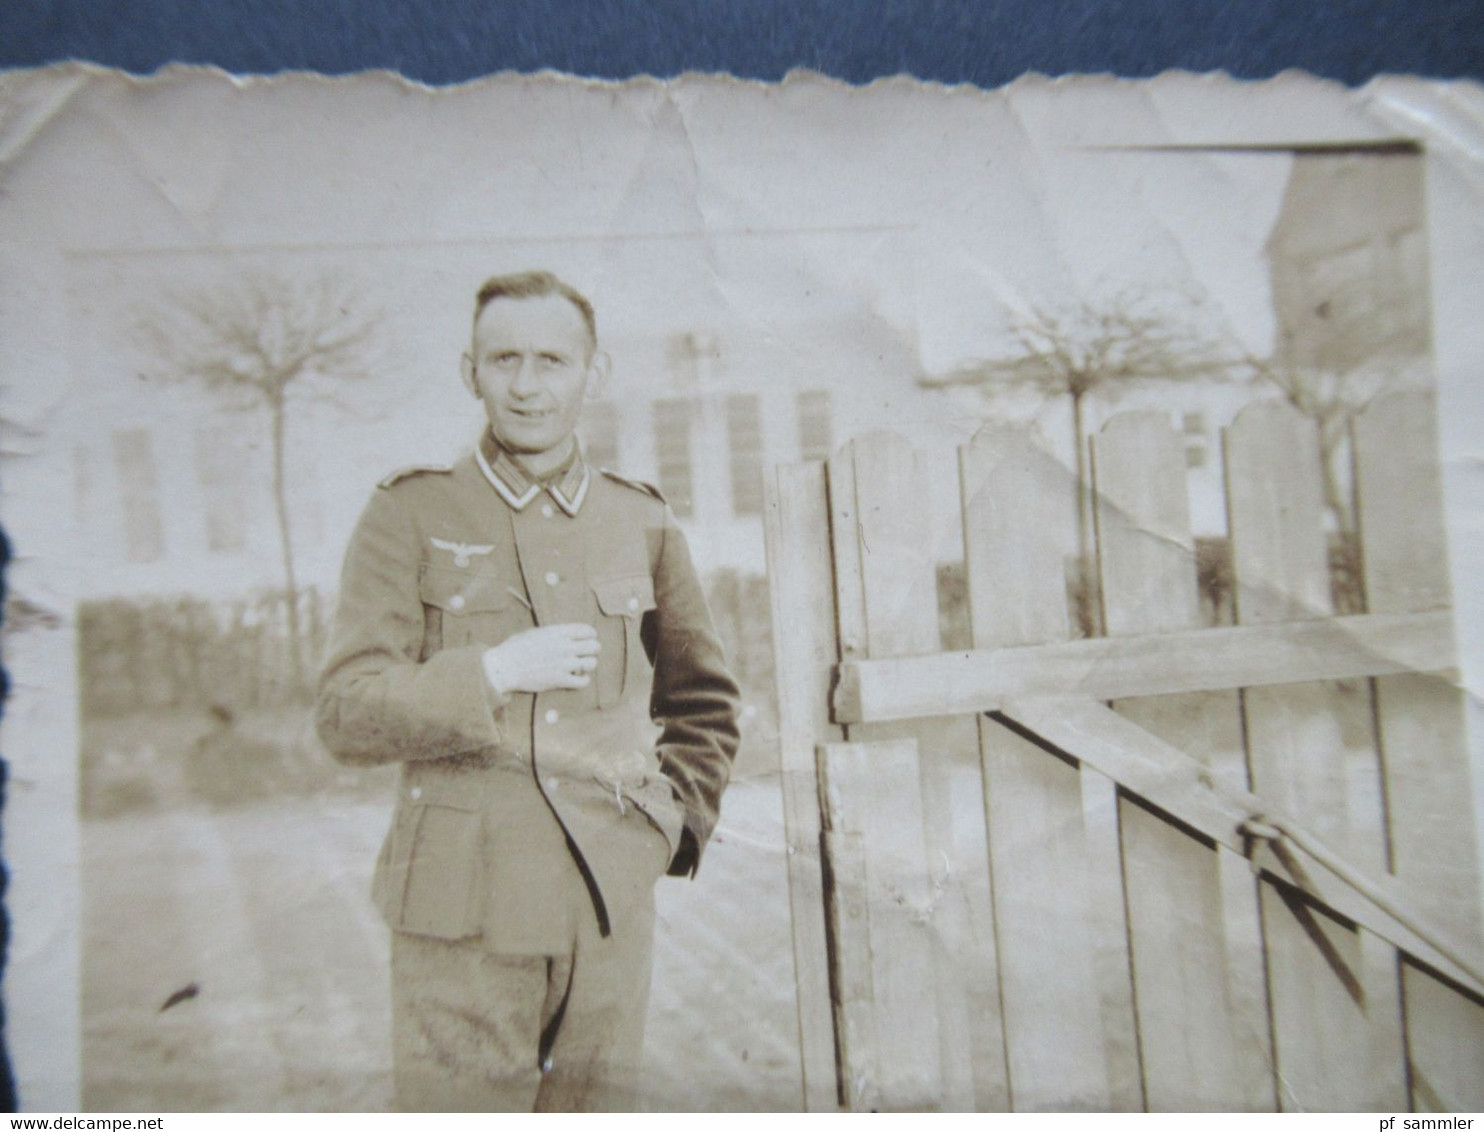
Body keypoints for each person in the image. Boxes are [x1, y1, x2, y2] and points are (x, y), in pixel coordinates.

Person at [315, 270, 742, 1111]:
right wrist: (493, 672)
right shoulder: (408, 512)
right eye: (502, 359)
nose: (526, 384)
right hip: (459, 918)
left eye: (552, 360)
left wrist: (667, 833)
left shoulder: (640, 519)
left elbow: (703, 703)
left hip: (605, 912)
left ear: (595, 372)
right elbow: (345, 711)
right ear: (468, 371)